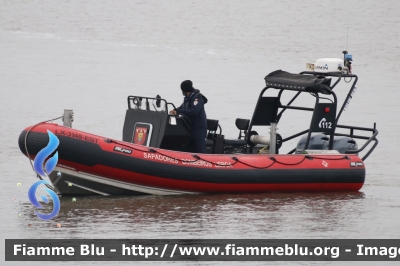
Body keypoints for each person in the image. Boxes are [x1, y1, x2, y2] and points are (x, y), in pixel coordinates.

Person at [169, 80, 208, 153]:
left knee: (200, 149)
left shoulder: (197, 98)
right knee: (189, 149)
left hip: (198, 128)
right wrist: (175, 110)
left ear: (183, 90)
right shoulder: (187, 98)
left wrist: (179, 111)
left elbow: (194, 111)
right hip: (190, 128)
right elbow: (182, 107)